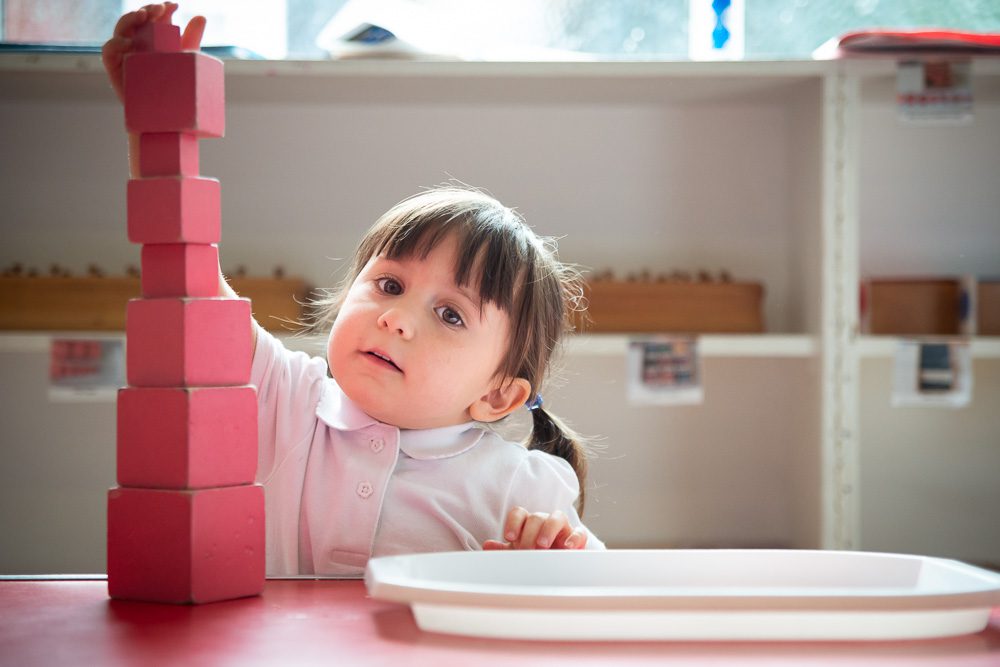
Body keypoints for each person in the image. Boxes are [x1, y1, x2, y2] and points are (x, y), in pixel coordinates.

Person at [103, 3, 604, 576]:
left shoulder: (523, 486)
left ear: (498, 397)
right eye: (389, 284)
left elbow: (605, 603)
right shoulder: (287, 395)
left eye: (451, 315)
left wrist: (547, 568)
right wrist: (157, 126)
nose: (397, 318)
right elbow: (189, 284)